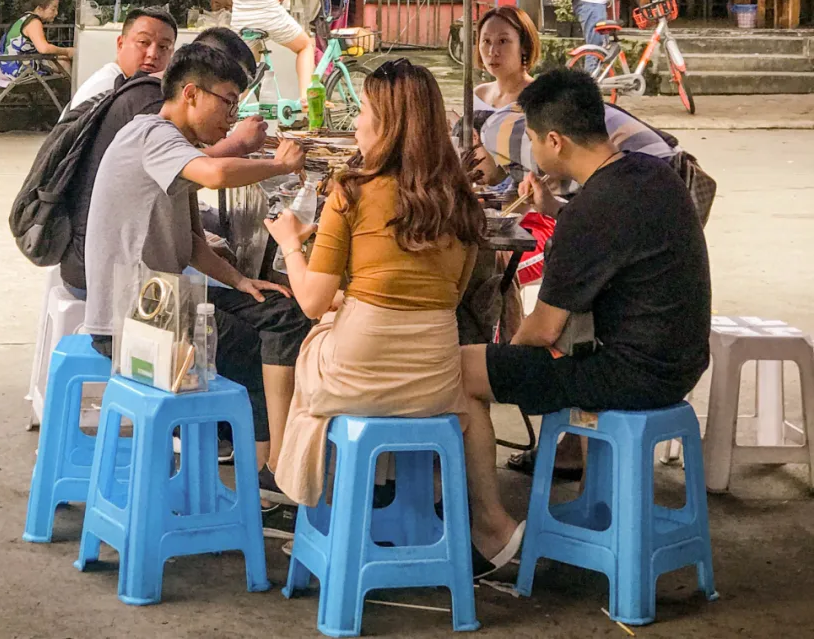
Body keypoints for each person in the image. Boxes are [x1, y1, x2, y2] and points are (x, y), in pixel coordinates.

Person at [268, 59, 520, 568]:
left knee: (307, 350)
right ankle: (467, 518)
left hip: (357, 375)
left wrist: (290, 244)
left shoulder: (350, 189)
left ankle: (318, 510)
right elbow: (440, 299)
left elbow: (313, 301)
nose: (356, 122)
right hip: (431, 379)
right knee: (459, 391)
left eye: (362, 111)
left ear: (386, 122)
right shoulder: (462, 199)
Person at [460, 68, 712, 547]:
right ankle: (569, 504)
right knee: (490, 364)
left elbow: (542, 330)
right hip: (679, 360)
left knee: (459, 369)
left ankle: (490, 526)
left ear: (555, 141)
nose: (530, 151)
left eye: (532, 139)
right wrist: (553, 208)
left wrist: (502, 361)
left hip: (631, 373)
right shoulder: (649, 172)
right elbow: (615, 236)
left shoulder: (596, 209)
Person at [82, 42, 312, 495]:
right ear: (191, 94)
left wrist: (241, 281)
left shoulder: (176, 146)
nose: (231, 116)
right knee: (257, 353)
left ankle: (271, 465)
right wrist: (275, 164)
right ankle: (269, 479)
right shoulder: (152, 135)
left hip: (164, 302)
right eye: (227, 102)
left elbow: (189, 243)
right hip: (133, 319)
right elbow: (217, 175)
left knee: (284, 313)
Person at [58, 25, 266, 297]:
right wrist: (240, 145)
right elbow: (207, 173)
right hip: (106, 276)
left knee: (229, 255)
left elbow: (184, 193)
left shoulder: (165, 101)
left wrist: (210, 257)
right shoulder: (152, 108)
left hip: (128, 262)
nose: (231, 114)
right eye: (228, 98)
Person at [64, 7, 177, 117]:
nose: (152, 54)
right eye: (143, 42)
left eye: (163, 47)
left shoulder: (141, 89)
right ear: (120, 44)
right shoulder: (106, 89)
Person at [0, 0, 74, 77]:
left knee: (63, 60)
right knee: (64, 64)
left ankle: (65, 90)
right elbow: (44, 49)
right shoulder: (34, 22)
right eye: (53, 9)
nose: (56, 13)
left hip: (7, 64)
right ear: (39, 8)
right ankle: (73, 91)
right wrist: (67, 51)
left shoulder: (25, 18)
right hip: (16, 67)